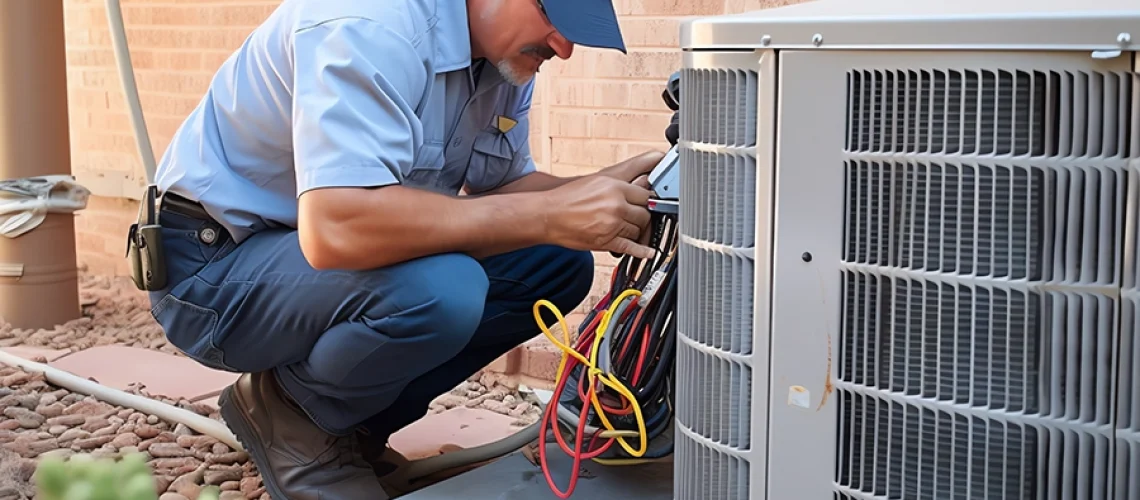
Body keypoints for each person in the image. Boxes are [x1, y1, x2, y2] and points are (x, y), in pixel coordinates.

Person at [141, 0, 666, 497]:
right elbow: (338, 230)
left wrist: (602, 188)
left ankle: (354, 427)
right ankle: (296, 419)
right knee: (443, 292)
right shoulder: (371, 23)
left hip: (306, 257)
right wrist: (551, 214)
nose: (565, 46)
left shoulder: (503, 61)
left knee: (553, 264)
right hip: (213, 269)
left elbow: (500, 195)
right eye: (553, 12)